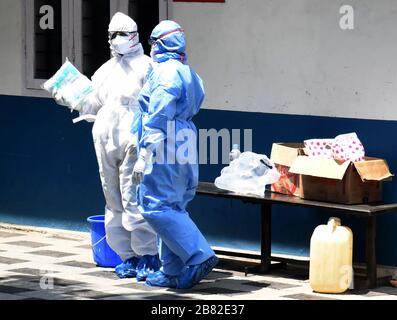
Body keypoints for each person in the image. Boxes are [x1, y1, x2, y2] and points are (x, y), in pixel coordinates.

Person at [54, 12, 160, 281]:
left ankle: (148, 256)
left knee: (133, 196)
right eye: (111, 34)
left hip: (133, 138)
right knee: (112, 198)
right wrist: (70, 96)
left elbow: (156, 105)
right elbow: (94, 103)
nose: (115, 40)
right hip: (104, 138)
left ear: (134, 36)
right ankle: (127, 256)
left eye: (121, 34)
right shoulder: (105, 70)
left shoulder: (147, 67)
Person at [132, 20, 218, 289]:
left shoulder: (166, 74)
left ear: (160, 43)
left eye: (153, 42)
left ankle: (198, 255)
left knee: (156, 206)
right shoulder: (188, 72)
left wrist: (145, 152)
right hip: (184, 139)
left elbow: (159, 114)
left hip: (165, 141)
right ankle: (171, 270)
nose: (152, 48)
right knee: (173, 206)